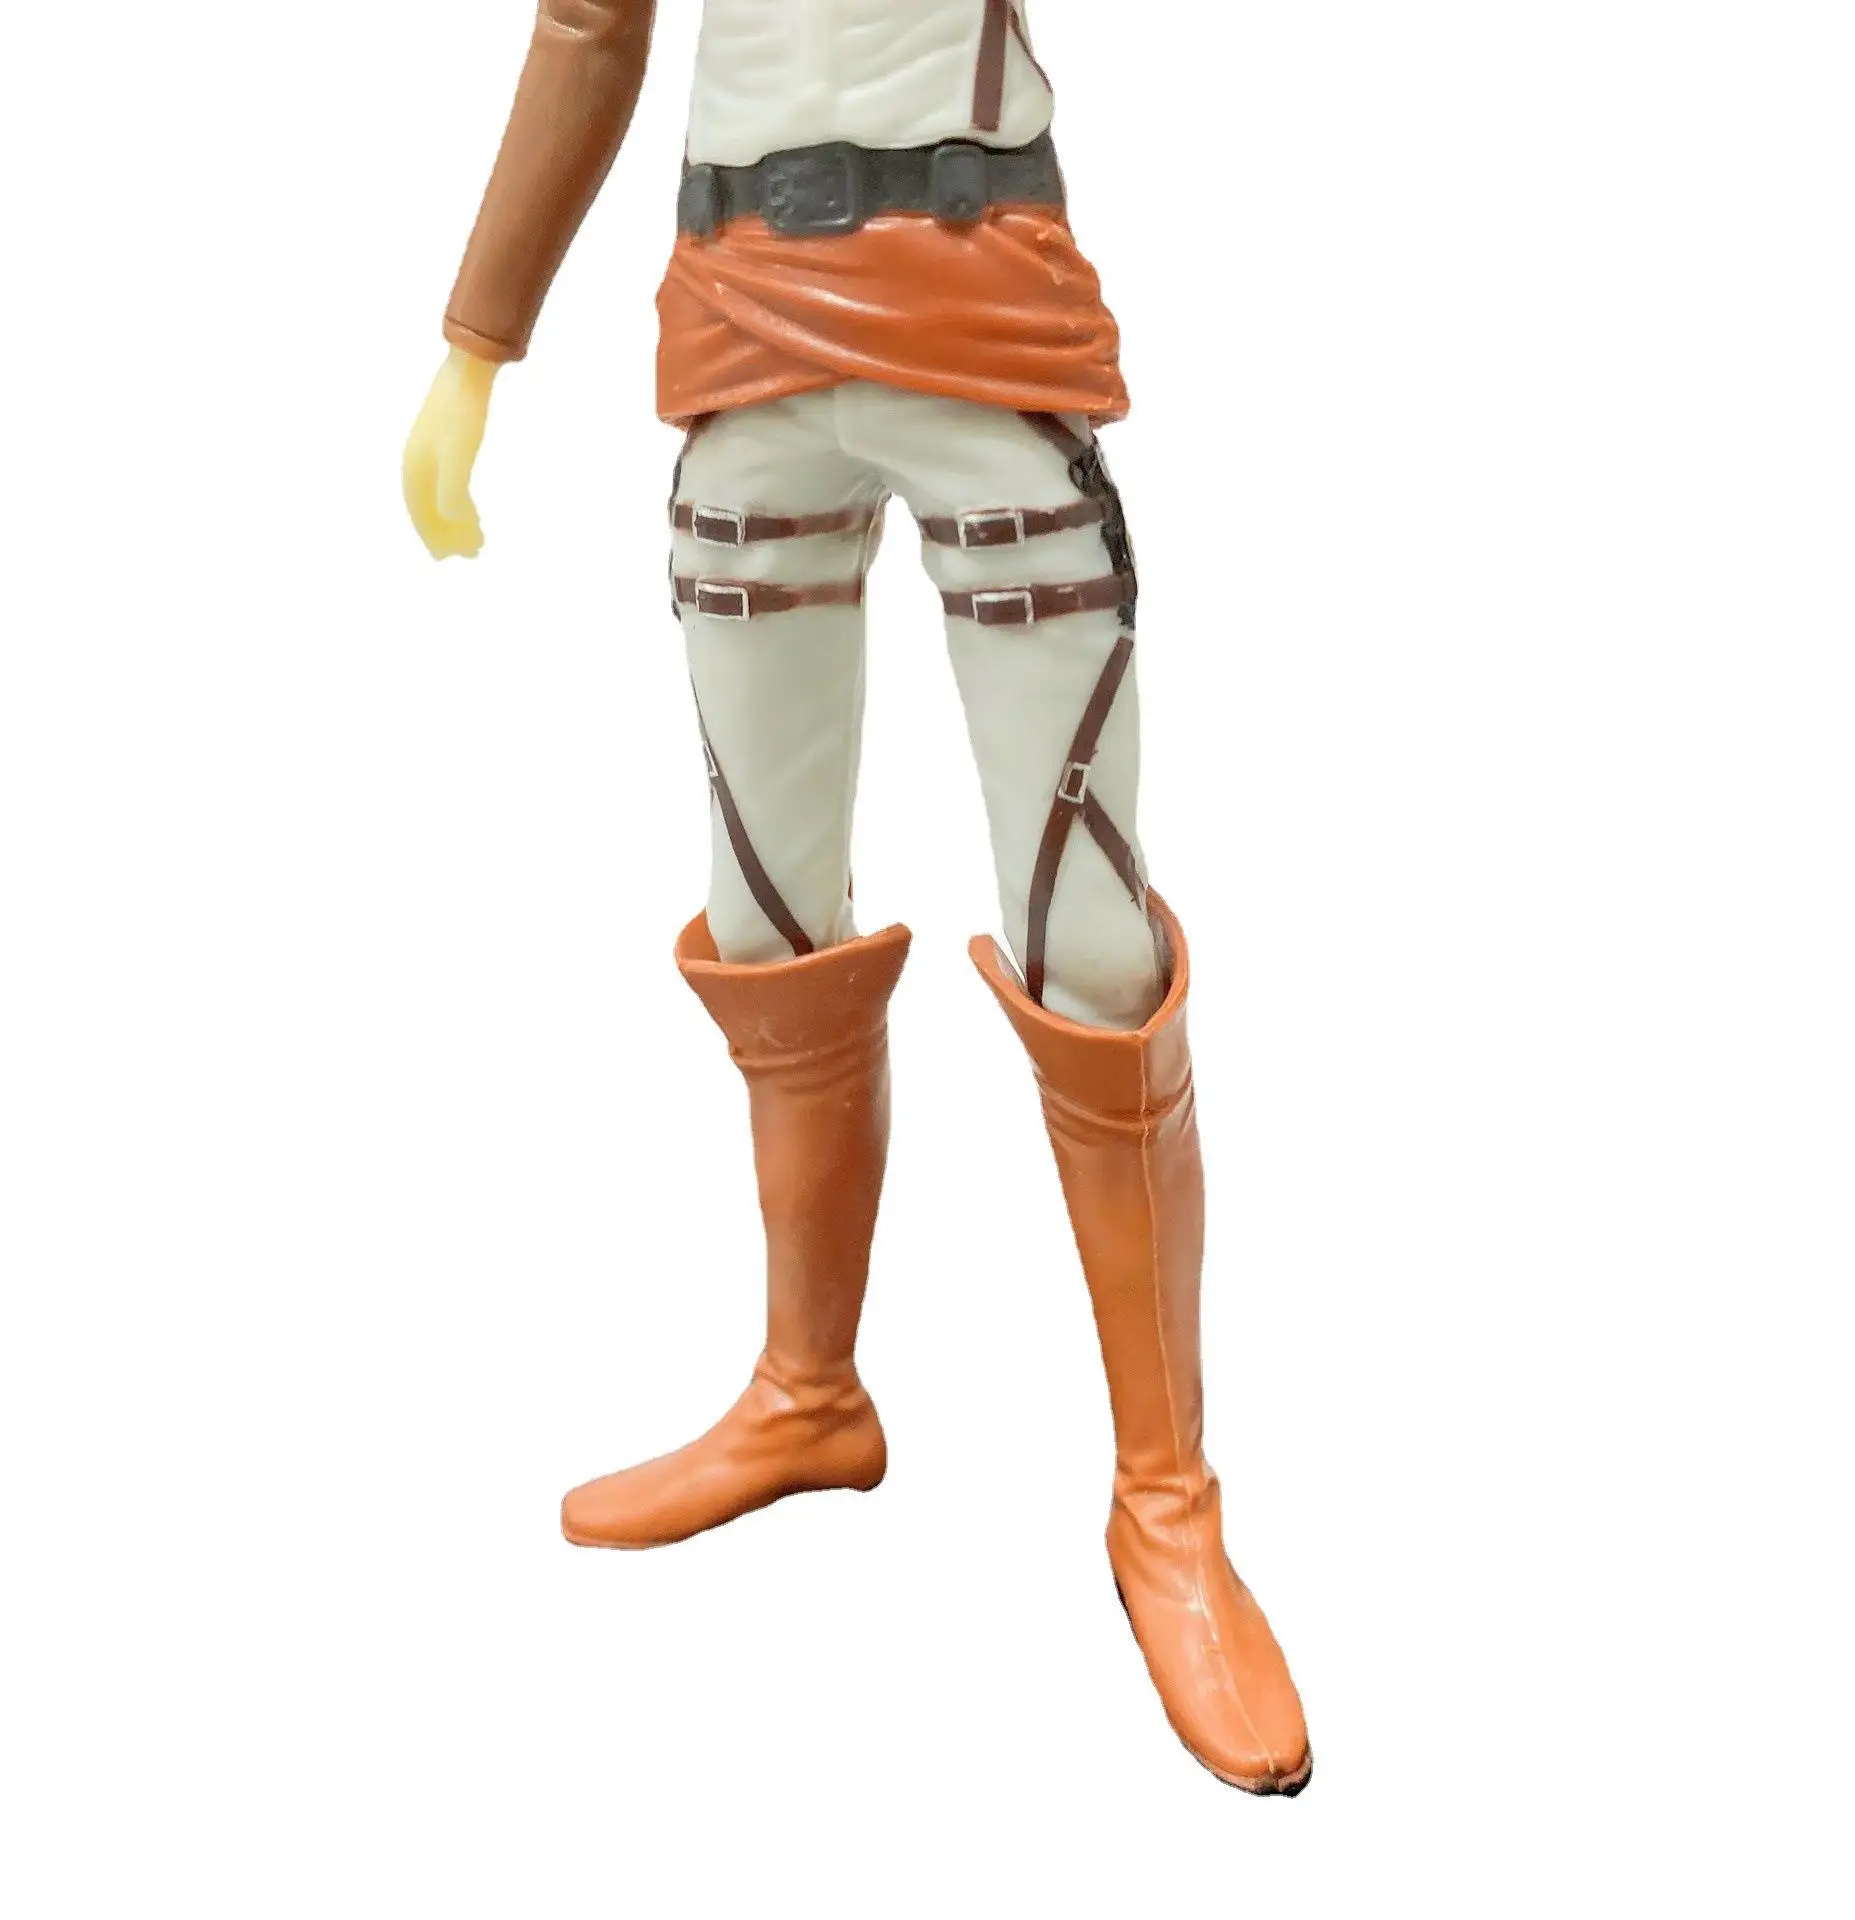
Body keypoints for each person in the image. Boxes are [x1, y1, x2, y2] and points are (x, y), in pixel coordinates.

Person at [402, 0, 1311, 1795]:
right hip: (739, 333)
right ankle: (808, 1393)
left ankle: (1166, 1498)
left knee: (1091, 945)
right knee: (765, 919)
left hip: (979, 309)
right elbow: (588, 28)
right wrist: (475, 342)